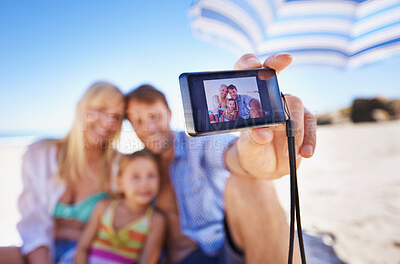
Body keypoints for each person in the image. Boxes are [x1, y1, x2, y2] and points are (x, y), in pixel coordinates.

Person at [124, 53, 318, 264]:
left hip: (219, 251)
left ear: (169, 113)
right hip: (172, 258)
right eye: (138, 122)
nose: (149, 129)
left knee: (252, 184)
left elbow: (231, 153)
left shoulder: (196, 144)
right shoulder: (133, 166)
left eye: (154, 117)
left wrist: (249, 157)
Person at [0, 82, 125, 264]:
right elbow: (33, 222)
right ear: (81, 108)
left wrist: (66, 230)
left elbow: (125, 226)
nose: (108, 122)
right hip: (43, 251)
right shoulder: (40, 154)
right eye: (100, 109)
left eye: (116, 116)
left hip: (93, 254)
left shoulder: (119, 165)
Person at [74, 150, 166, 264]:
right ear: (119, 183)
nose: (144, 183)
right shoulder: (104, 207)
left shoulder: (155, 220)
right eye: (136, 177)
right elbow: (82, 249)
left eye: (151, 175)